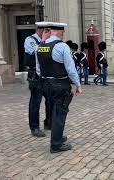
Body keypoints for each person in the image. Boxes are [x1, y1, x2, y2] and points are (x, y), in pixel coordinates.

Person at [36, 22, 82, 153]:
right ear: (59, 32)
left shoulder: (40, 46)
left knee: (52, 111)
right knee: (60, 113)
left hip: (45, 84)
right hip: (59, 84)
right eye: (62, 33)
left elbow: (38, 69)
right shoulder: (62, 46)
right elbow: (71, 69)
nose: (63, 35)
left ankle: (58, 136)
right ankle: (56, 144)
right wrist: (78, 84)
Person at [24, 22, 51, 137]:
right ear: (41, 30)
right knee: (36, 101)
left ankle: (48, 123)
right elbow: (37, 51)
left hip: (46, 74)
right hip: (35, 74)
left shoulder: (46, 41)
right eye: (46, 31)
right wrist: (43, 40)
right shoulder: (30, 40)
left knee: (50, 99)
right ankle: (34, 127)